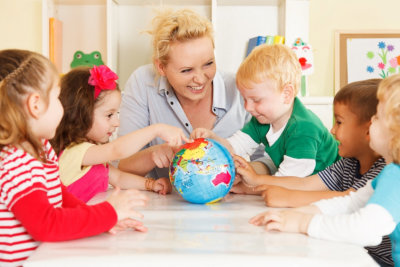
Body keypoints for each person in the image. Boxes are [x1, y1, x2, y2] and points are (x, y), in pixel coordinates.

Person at [0, 49, 148, 266]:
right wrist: (107, 212)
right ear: (35, 105)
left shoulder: (41, 150)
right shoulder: (16, 162)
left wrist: (101, 221)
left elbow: (61, 197)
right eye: (57, 98)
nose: (63, 107)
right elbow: (46, 225)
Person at [249, 74, 400, 267]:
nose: (371, 123)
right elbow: (351, 203)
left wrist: (304, 224)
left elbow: (365, 229)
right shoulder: (391, 172)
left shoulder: (395, 178)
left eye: (377, 117)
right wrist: (295, 215)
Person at [117, 9, 269, 179]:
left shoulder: (240, 89)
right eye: (186, 70)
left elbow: (270, 158)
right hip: (162, 202)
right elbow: (121, 165)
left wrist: (244, 172)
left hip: (231, 202)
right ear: (161, 67)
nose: (200, 79)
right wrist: (154, 155)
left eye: (208, 63)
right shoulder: (142, 83)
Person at [192, 44, 340, 181]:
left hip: (333, 187)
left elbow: (286, 181)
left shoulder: (304, 129)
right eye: (244, 99)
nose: (248, 107)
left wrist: (251, 186)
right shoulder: (263, 120)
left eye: (256, 100)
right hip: (301, 186)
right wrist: (213, 139)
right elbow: (235, 146)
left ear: (286, 94)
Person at [234, 79, 385, 207]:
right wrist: (252, 182)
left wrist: (288, 197)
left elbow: (351, 200)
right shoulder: (349, 164)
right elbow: (305, 185)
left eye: (339, 122)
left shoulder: (384, 170)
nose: (332, 130)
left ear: (368, 130)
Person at [51, 65, 191, 203]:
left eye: (116, 114)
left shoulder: (94, 156)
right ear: (80, 114)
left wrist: (150, 184)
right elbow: (116, 150)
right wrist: (156, 129)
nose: (117, 122)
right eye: (109, 115)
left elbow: (118, 178)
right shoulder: (75, 152)